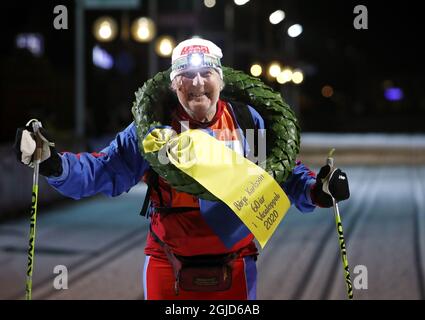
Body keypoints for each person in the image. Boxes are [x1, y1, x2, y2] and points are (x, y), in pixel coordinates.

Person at [14, 38, 350, 300]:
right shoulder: (154, 129)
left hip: (235, 265)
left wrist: (318, 190)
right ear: (175, 85)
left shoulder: (246, 122)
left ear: (221, 79)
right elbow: (103, 170)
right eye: (186, 75)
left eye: (207, 73)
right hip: (168, 264)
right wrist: (51, 161)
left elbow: (283, 175)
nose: (198, 82)